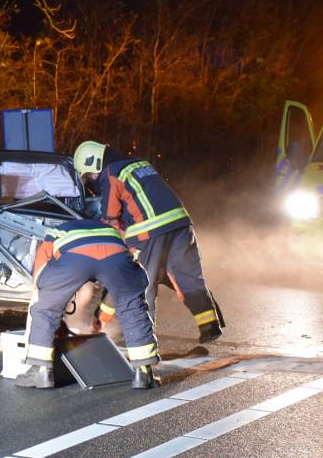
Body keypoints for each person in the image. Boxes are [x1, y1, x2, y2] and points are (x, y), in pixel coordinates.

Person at [73, 141, 224, 343]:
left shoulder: (111, 173)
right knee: (187, 277)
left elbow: (111, 219)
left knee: (143, 284)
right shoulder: (138, 164)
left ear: (94, 163)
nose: (92, 182)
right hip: (180, 223)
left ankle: (143, 339)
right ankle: (210, 325)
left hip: (148, 231)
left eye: (89, 177)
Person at [15, 219, 159, 390]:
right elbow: (120, 272)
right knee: (132, 308)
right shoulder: (109, 231)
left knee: (45, 309)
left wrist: (47, 297)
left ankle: (41, 372)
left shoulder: (54, 233)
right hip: (115, 256)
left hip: (73, 259)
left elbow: (39, 276)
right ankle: (143, 373)